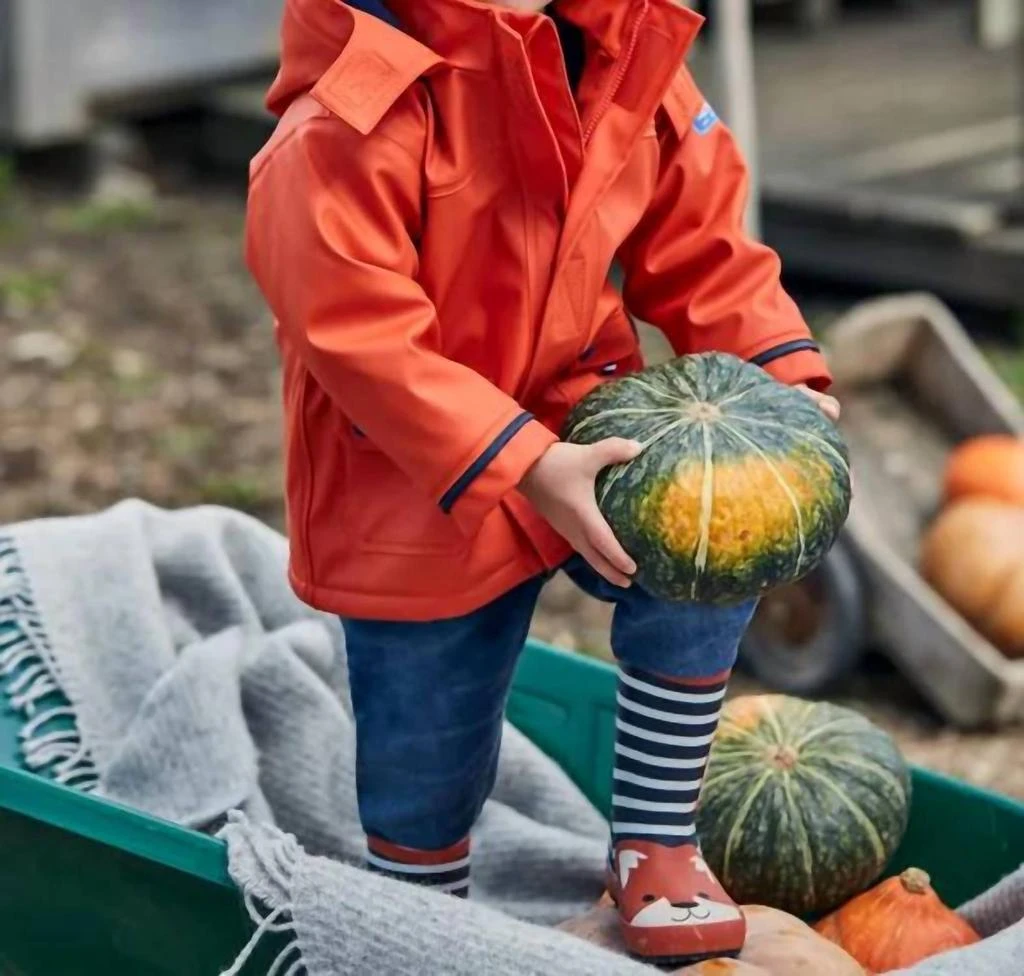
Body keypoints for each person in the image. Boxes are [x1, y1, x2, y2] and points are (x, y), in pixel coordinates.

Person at [246, 0, 840, 963]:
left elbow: (702, 243)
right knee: (428, 726)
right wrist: (522, 462)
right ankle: (420, 897)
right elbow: (354, 330)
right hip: (413, 467)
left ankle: (657, 841)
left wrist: (781, 374)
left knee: (708, 540)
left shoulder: (626, 45)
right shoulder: (350, 114)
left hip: (580, 409)